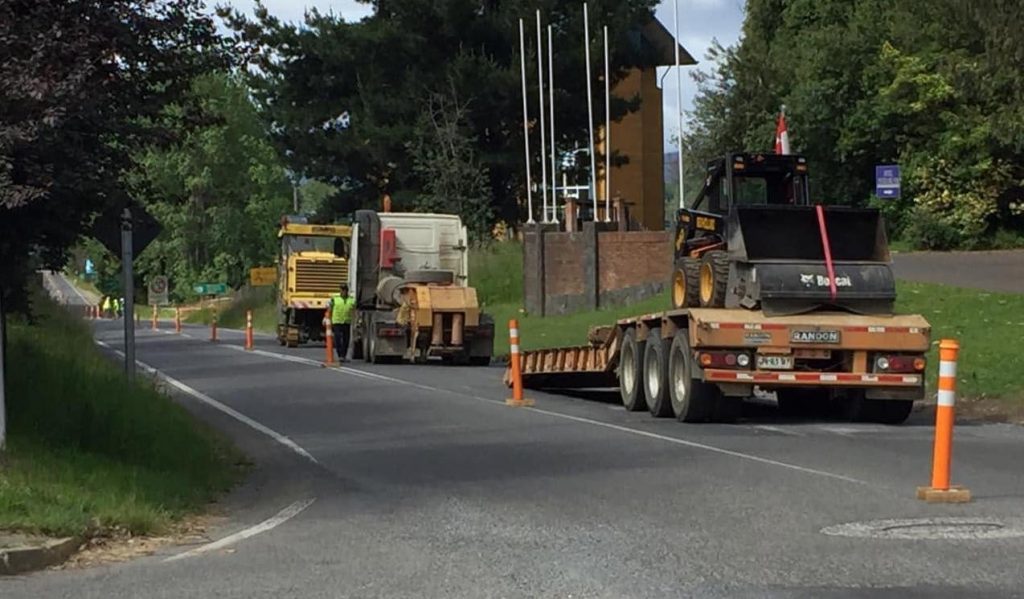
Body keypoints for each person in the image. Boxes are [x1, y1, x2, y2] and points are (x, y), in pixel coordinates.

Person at [329, 283, 355, 362]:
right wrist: (328, 319)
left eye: (344, 290)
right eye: (341, 290)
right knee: (337, 339)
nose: (343, 292)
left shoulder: (351, 300)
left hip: (346, 322)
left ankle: (343, 355)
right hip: (337, 321)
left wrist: (356, 320)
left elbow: (354, 310)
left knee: (346, 340)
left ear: (347, 291)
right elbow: (330, 309)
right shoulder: (335, 299)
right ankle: (340, 354)